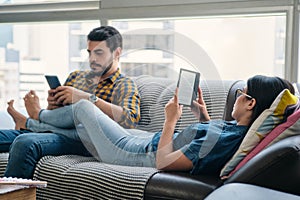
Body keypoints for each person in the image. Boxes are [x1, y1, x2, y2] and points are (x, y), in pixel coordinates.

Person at [7, 75, 295, 177]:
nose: (237, 96)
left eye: (242, 93)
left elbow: (164, 162)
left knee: (83, 107)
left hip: (134, 154)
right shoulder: (234, 132)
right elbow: (208, 144)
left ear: (250, 104)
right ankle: (32, 124)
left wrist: (171, 120)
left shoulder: (228, 138)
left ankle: (33, 119)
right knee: (83, 126)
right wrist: (203, 115)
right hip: (141, 140)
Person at [0, 25, 141, 178]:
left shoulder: (124, 84)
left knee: (25, 142)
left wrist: (86, 98)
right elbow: (57, 116)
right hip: (54, 130)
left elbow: (130, 118)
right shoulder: (76, 77)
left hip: (84, 140)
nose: (92, 59)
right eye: (89, 52)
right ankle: (30, 122)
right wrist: (53, 105)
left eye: (99, 53)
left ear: (117, 53)